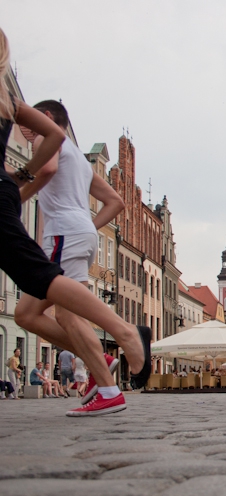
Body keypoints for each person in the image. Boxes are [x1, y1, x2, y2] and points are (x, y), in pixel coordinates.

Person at [0, 37, 151, 416]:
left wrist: (19, 185)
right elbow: (115, 202)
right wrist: (89, 224)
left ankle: (114, 357)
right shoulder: (82, 161)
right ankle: (100, 361)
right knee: (26, 315)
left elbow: (46, 168)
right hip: (78, 229)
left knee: (64, 311)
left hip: (63, 231)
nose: (30, 137)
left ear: (48, 118)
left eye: (34, 130)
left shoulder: (53, 147)